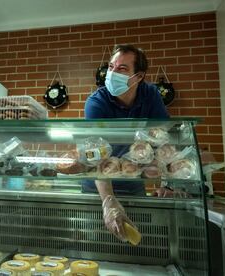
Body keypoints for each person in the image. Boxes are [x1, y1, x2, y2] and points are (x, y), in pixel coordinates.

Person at [84, 44, 171, 242]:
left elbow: (164, 137)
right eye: (111, 66)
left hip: (134, 181)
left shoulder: (150, 95)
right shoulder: (96, 102)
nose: (112, 73)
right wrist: (108, 201)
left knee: (136, 241)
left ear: (139, 76)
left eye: (122, 69)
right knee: (96, 240)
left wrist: (167, 182)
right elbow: (95, 154)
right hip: (99, 186)